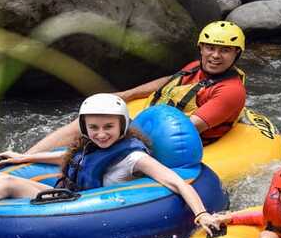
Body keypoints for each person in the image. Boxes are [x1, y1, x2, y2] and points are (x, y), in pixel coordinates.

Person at [0, 93, 219, 234]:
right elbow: (66, 157)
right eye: (94, 127)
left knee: (3, 184)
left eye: (108, 128)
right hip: (65, 189)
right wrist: (25, 157)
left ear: (122, 127)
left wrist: (201, 213)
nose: (101, 134)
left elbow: (174, 181)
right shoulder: (91, 143)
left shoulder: (134, 156)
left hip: (81, 202)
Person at [25, 21, 247, 154]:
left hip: (177, 142)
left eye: (225, 50)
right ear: (201, 48)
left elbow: (185, 130)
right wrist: (126, 94)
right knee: (94, 119)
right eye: (210, 48)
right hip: (160, 120)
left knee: (98, 128)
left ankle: (36, 160)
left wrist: (118, 133)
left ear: (236, 53)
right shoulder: (196, 67)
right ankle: (24, 157)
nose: (215, 56)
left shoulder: (230, 91)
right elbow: (172, 79)